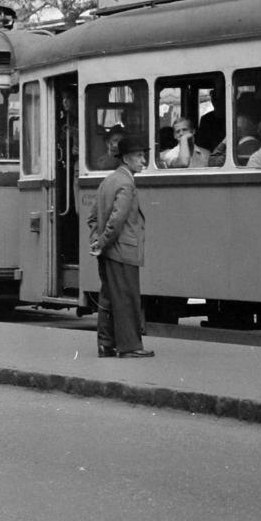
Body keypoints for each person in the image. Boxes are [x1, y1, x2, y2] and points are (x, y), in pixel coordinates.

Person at [88, 133, 152, 358]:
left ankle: (106, 344)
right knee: (127, 299)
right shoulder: (126, 184)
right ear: (126, 159)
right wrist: (103, 243)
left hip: (108, 252)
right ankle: (130, 347)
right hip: (122, 251)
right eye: (139, 157)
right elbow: (117, 221)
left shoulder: (108, 181)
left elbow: (93, 217)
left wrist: (96, 242)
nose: (143, 161)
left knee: (108, 298)